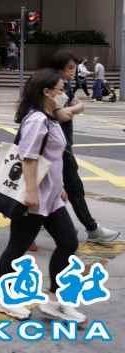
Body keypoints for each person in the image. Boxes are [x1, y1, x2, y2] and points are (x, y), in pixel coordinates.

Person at [0, 69, 84, 322]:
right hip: (34, 200)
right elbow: (28, 158)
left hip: (51, 198)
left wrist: (59, 187)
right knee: (17, 249)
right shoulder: (37, 120)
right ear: (47, 92)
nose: (64, 94)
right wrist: (31, 193)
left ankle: (54, 300)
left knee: (68, 242)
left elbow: (52, 157)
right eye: (61, 90)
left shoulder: (50, 118)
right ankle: (2, 297)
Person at [50, 51, 119, 243]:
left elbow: (69, 108)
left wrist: (72, 108)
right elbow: (60, 114)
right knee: (74, 187)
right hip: (57, 147)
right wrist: (76, 108)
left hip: (62, 143)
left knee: (54, 188)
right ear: (59, 68)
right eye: (70, 68)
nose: (73, 71)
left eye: (74, 67)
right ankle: (92, 229)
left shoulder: (65, 84)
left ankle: (45, 224)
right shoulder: (53, 85)